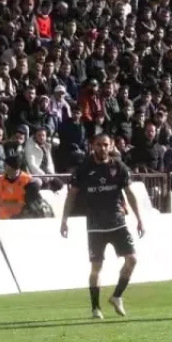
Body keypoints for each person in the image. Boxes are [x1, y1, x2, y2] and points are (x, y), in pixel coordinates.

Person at [61, 133, 145, 319]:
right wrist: (64, 220)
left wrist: (139, 218)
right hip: (95, 226)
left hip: (117, 222)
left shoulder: (119, 167)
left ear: (111, 146)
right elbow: (71, 195)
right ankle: (95, 308)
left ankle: (116, 296)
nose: (102, 148)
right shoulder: (84, 168)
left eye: (106, 144)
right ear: (93, 146)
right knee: (96, 268)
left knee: (132, 259)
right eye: (99, 144)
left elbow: (130, 193)